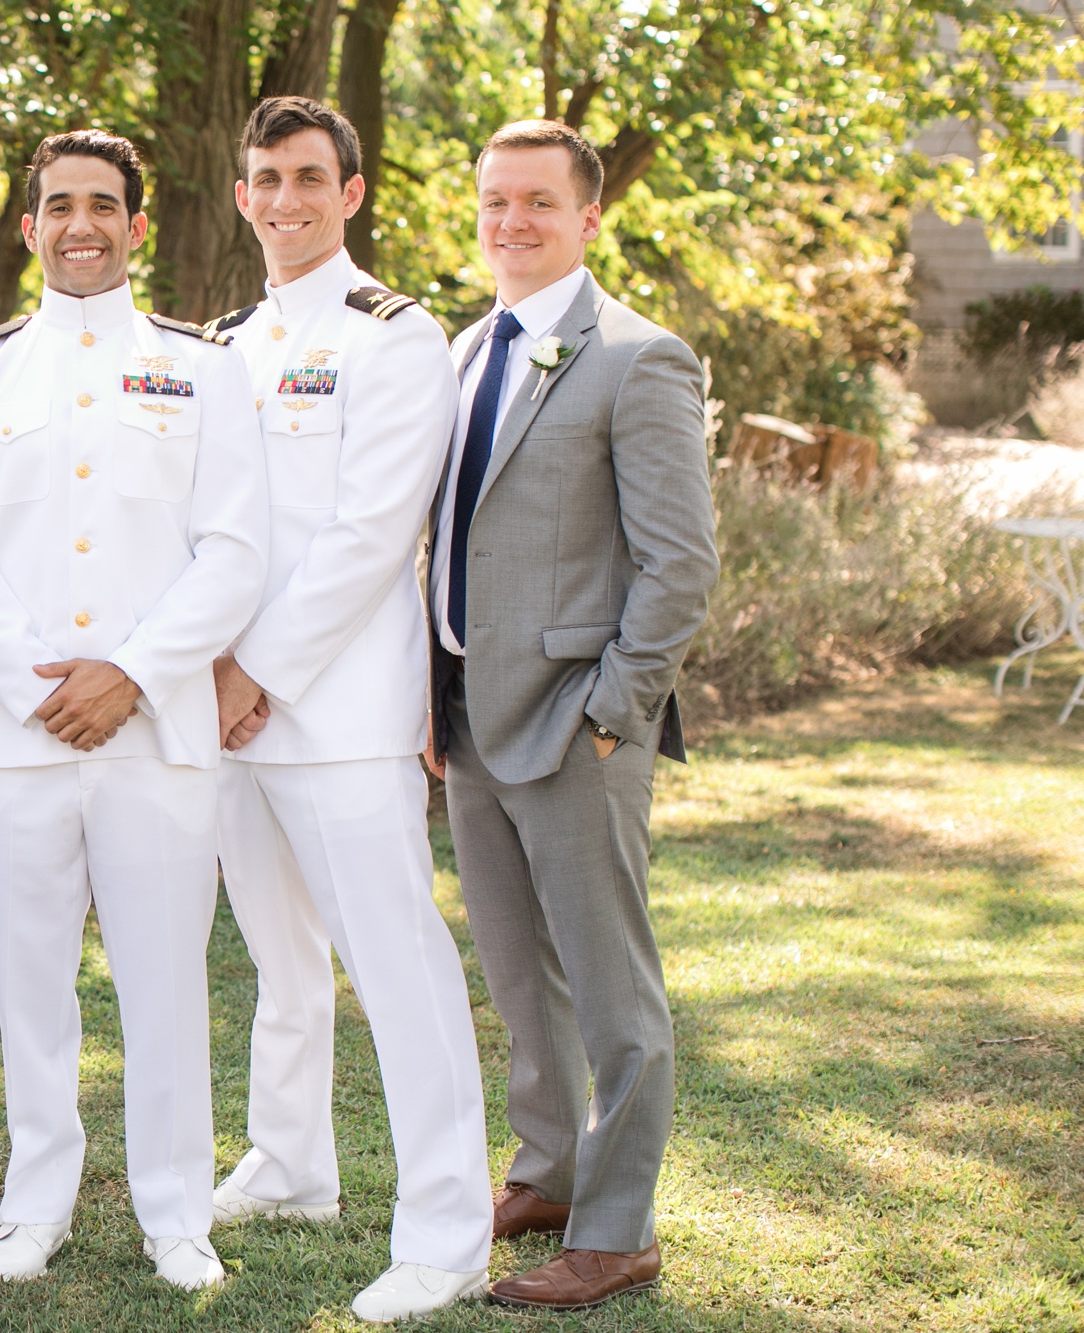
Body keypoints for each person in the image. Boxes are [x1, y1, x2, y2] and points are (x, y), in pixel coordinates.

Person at [0, 130, 268, 1292]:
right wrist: (39, 681)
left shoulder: (201, 367)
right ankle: (35, 1203)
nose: (81, 223)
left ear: (137, 225)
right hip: (20, 741)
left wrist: (131, 672)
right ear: (29, 229)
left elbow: (232, 552)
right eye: (59, 205)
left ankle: (176, 1214)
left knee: (165, 977)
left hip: (154, 734)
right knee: (29, 983)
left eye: (102, 205)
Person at [200, 96, 490, 1324]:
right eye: (264, 177)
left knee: (397, 963)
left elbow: (373, 532)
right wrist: (206, 670)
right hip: (221, 706)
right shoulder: (219, 340)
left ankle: (443, 1229)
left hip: (333, 708)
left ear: (350, 191)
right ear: (240, 195)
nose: (284, 198)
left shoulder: (394, 335)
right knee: (277, 953)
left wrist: (254, 668)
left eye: (308, 177)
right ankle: (289, 1164)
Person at [426, 119, 718, 1311]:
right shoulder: (458, 350)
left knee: (612, 993)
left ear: (586, 216)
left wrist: (611, 711)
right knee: (515, 976)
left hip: (573, 721)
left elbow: (679, 564)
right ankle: (544, 1172)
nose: (510, 223)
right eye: (495, 201)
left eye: (537, 203)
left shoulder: (637, 359)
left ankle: (614, 1227)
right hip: (463, 720)